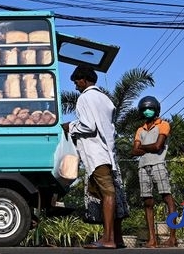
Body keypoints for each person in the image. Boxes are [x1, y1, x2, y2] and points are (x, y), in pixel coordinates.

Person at [62, 65, 129, 249]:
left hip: (96, 154)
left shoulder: (85, 98)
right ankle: (117, 237)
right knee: (110, 194)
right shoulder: (106, 99)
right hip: (108, 153)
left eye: (77, 82)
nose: (76, 86)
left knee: (107, 194)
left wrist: (70, 126)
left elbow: (88, 126)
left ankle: (107, 239)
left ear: (83, 80)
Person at [131, 96, 177, 248]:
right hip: (143, 166)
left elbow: (158, 146)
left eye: (150, 108)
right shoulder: (140, 129)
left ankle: (172, 237)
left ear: (156, 109)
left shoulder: (163, 125)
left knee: (167, 197)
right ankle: (152, 239)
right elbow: (134, 150)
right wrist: (147, 147)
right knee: (147, 201)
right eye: (144, 109)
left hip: (158, 163)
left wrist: (142, 148)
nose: (147, 111)